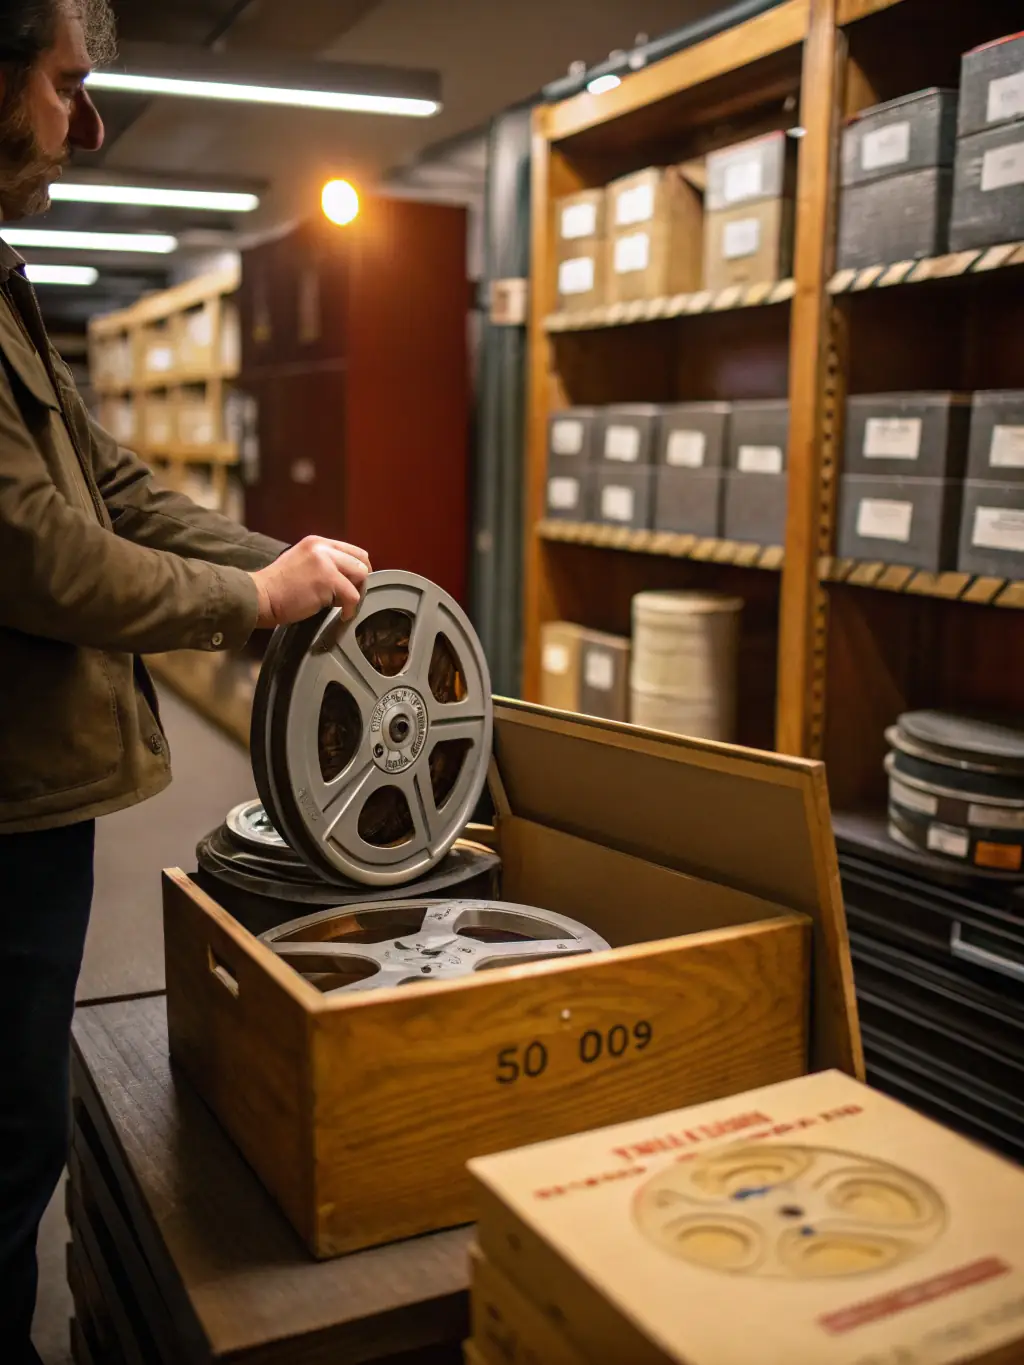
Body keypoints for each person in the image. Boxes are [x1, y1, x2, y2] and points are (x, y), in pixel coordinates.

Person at [0, 3, 372, 1355]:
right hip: (2, 810)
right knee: (0, 1149)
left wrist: (290, 565)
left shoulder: (1, 280)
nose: (85, 124)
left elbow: (112, 491)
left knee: (20, 1124)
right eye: (63, 84)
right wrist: (249, 600)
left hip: (31, 797)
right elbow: (39, 557)